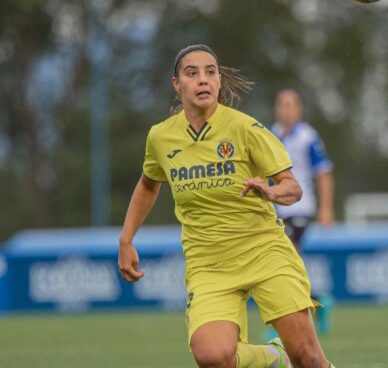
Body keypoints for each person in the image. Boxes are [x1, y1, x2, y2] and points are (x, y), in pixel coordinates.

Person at [117, 44, 336, 368]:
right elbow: (149, 183)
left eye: (210, 72)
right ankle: (274, 357)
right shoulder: (161, 137)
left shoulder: (246, 128)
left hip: (264, 252)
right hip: (209, 264)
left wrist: (272, 193)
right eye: (192, 73)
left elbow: (293, 187)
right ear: (177, 84)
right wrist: (126, 239)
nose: (202, 79)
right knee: (212, 356)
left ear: (219, 81)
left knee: (308, 357)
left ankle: (290, 356)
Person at [271, 89, 335, 334]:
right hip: (277, 208)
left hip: (300, 206)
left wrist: (326, 208)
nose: (286, 110)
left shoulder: (308, 137)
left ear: (299, 109)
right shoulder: (272, 134)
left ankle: (291, 322)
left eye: (291, 105)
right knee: (286, 263)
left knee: (286, 260)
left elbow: (323, 173)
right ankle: (317, 301)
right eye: (282, 105)